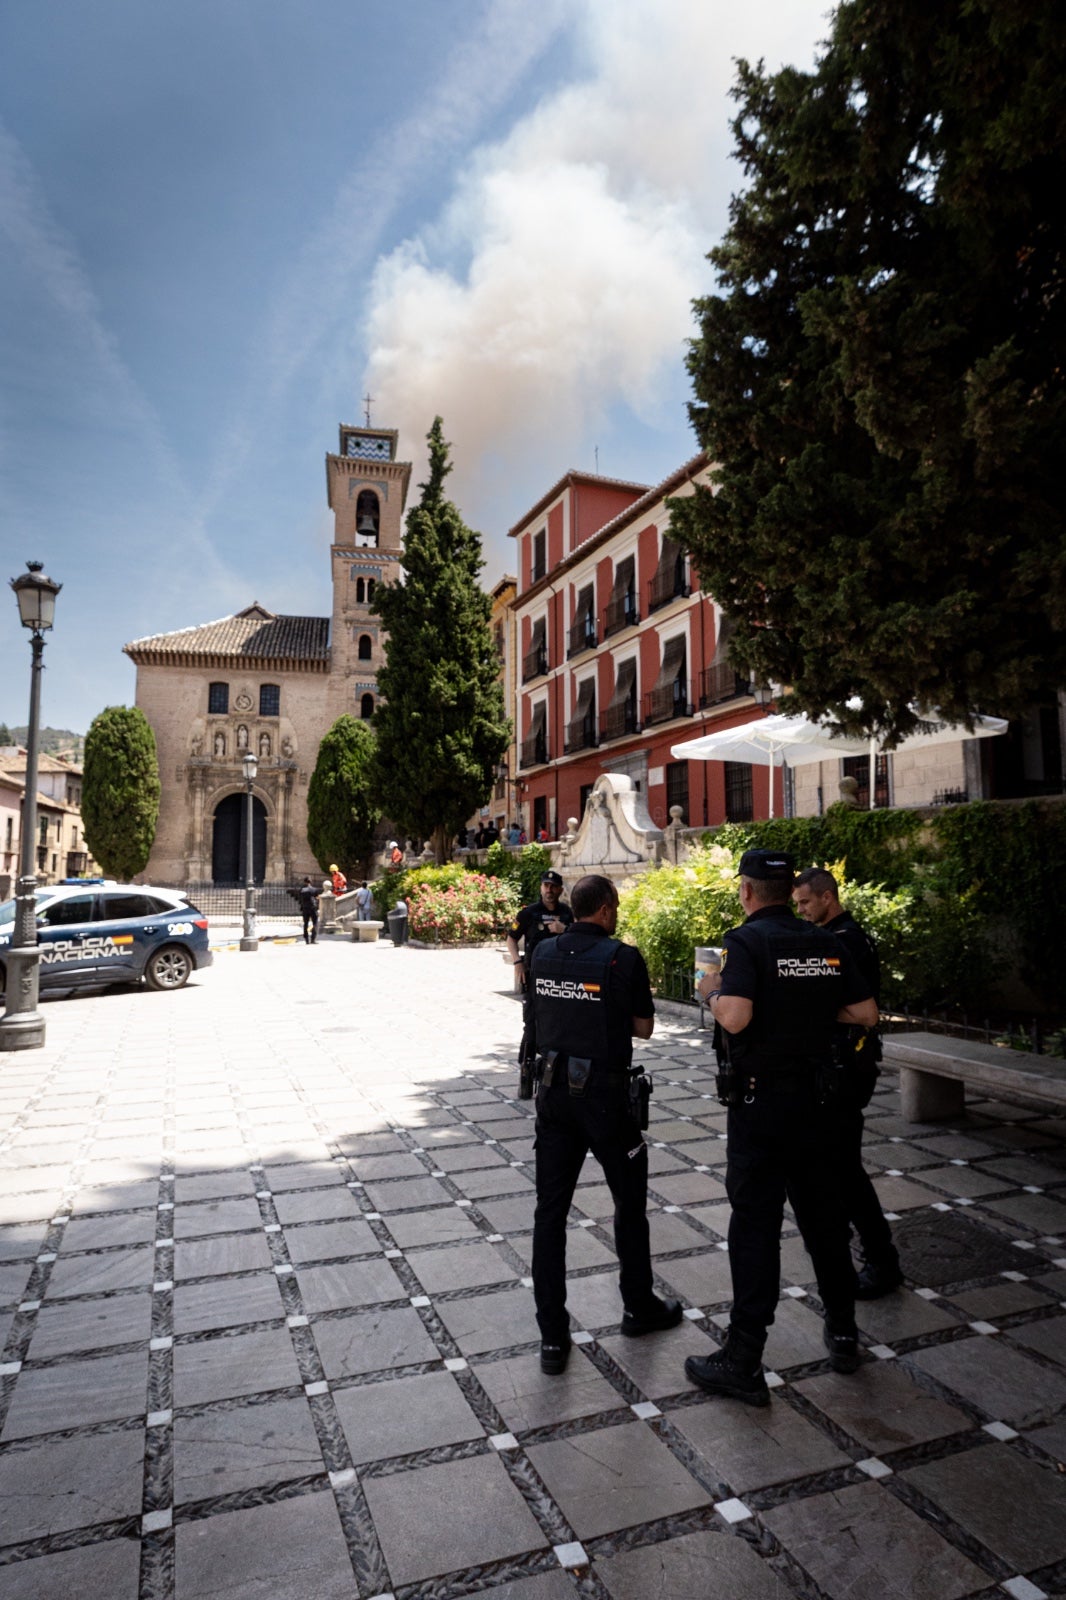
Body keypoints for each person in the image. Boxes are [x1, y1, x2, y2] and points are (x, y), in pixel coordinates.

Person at [687, 849, 878, 1405]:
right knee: (825, 1221)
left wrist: (711, 991)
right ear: (789, 890)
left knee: (755, 1228)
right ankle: (843, 1332)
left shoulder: (745, 942)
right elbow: (864, 1012)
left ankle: (743, 1358)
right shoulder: (826, 940)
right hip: (821, 1107)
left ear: (747, 892)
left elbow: (737, 1016)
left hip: (763, 1107)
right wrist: (809, 1013)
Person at [529, 874, 682, 1373]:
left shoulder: (544, 952)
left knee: (550, 1214)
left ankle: (553, 1337)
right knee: (629, 1205)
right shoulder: (622, 957)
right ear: (609, 908)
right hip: (605, 1100)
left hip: (552, 1096)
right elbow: (643, 1027)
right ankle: (638, 1305)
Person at [793, 868, 901, 1298]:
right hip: (835, 1065)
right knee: (834, 1165)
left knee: (845, 1170)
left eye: (804, 902)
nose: (799, 910)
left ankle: (882, 1260)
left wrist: (801, 1011)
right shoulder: (834, 935)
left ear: (827, 897)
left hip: (849, 1066)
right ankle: (846, 1245)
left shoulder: (846, 941)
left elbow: (861, 1009)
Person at [297, 877, 319, 945]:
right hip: (313, 908)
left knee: (305, 923)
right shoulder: (314, 889)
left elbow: (300, 898)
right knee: (315, 923)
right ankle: (313, 939)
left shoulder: (302, 890)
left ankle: (306, 939)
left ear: (304, 882)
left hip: (305, 908)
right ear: (310, 882)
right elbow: (317, 898)